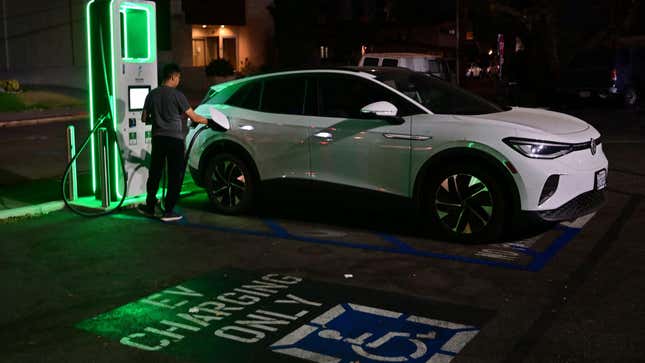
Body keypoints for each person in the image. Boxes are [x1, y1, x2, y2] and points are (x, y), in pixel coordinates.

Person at [137, 63, 208, 222]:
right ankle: (168, 211)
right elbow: (194, 117)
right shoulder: (178, 96)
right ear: (173, 76)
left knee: (155, 172)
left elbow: (143, 118)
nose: (179, 81)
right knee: (175, 175)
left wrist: (157, 119)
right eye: (178, 78)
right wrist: (209, 121)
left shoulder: (152, 95)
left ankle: (149, 206)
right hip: (175, 140)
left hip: (158, 139)